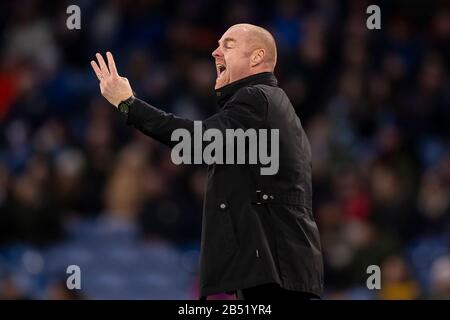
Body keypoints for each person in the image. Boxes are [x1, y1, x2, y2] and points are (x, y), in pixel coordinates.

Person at [90, 23, 323, 300]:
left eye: (228, 45)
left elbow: (194, 141)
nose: (215, 52)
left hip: (275, 273)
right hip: (281, 269)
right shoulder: (266, 108)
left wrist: (128, 104)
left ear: (257, 57)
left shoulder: (256, 98)